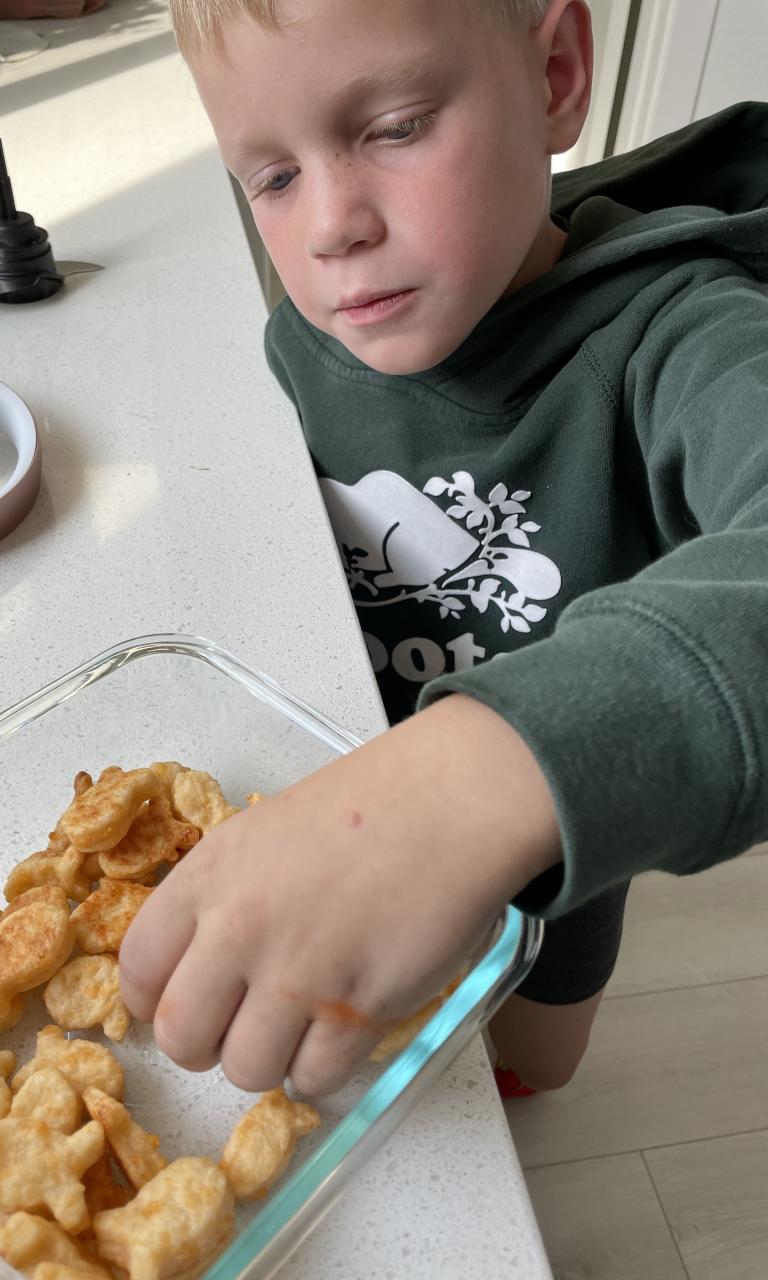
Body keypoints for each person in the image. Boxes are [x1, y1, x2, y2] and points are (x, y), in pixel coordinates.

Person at [118, 0, 768, 1099]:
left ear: (555, 73)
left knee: (538, 1065)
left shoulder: (686, 337)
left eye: (397, 125)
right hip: (329, 804)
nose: (329, 227)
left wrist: (474, 783)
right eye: (272, 177)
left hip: (544, 828)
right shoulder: (310, 330)